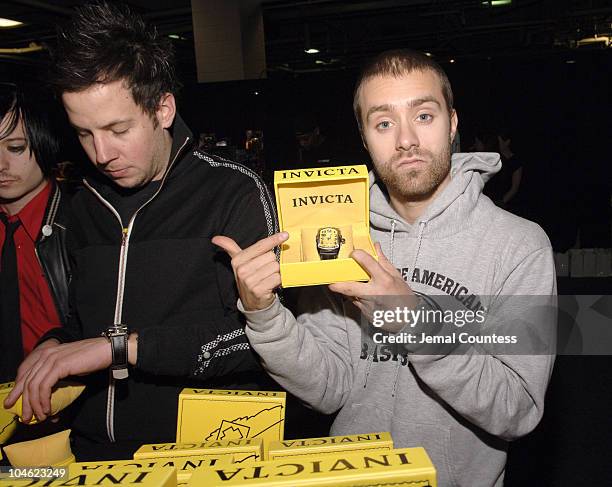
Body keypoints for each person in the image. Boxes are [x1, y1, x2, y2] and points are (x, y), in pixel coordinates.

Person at [214, 49, 556, 486]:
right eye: (384, 123)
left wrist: (414, 324)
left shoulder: (518, 245)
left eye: (424, 116)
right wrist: (265, 316)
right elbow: (327, 388)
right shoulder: (341, 235)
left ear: (453, 123)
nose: (406, 139)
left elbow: (518, 408)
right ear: (364, 137)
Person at [4, 2, 277, 460]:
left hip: (204, 454)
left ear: (163, 108)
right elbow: (83, 321)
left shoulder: (234, 191)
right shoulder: (83, 203)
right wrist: (56, 341)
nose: (101, 153)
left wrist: (122, 348)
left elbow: (258, 340)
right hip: (92, 452)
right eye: (84, 133)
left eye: (118, 129)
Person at [0, 82, 71, 383]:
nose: (1, 164)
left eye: (16, 148)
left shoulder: (84, 227)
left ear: (46, 142)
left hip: (67, 403)